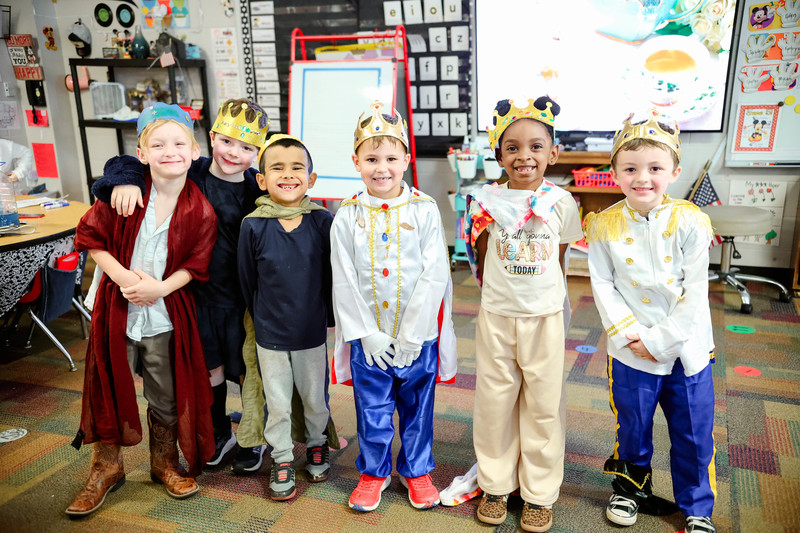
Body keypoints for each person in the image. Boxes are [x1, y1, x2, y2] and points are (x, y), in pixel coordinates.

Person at [91, 99, 269, 474]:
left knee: (250, 369)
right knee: (208, 370)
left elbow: (290, 191)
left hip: (243, 298)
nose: (234, 153)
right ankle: (220, 433)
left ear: (257, 152)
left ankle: (256, 435)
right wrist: (121, 178)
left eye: (247, 147)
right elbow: (130, 162)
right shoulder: (194, 169)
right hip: (194, 297)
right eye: (227, 142)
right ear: (210, 141)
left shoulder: (258, 186)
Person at [67, 103, 218, 516]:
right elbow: (91, 237)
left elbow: (196, 263)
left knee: (166, 392)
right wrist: (125, 280)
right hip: (117, 308)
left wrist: (160, 287)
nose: (170, 151)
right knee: (107, 385)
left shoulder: (200, 208)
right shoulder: (124, 194)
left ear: (194, 150)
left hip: (166, 314)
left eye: (179, 143)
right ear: (142, 153)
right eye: (159, 144)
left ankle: (163, 462)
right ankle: (106, 467)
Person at [583, 110, 717, 533]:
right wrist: (630, 335)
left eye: (655, 168)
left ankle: (696, 506)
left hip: (686, 348)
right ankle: (630, 490)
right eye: (631, 168)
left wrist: (662, 340)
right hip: (630, 349)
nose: (643, 178)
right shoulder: (603, 225)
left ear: (674, 171)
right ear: (615, 173)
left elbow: (696, 292)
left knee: (694, 431)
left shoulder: (691, 222)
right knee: (633, 427)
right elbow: (603, 285)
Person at [331, 101, 457, 513]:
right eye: (371, 159)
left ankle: (416, 469)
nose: (381, 167)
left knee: (418, 408)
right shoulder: (346, 216)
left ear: (406, 158)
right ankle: (374, 472)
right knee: (373, 409)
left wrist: (413, 334)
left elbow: (435, 273)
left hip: (417, 337)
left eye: (390, 157)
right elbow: (343, 278)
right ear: (356, 161)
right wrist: (366, 333)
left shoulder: (423, 209)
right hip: (370, 338)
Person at [464, 97, 583, 532]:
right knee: (494, 402)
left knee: (544, 405)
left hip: (545, 318)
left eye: (535, 146)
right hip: (496, 315)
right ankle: (495, 483)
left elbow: (563, 256)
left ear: (553, 153)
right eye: (511, 147)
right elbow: (480, 258)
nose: (524, 156)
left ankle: (538, 493)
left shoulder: (562, 202)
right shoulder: (483, 203)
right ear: (498, 155)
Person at [237, 134, 335, 501]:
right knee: (276, 402)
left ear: (311, 178)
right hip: (270, 333)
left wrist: (325, 319)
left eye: (297, 168)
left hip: (311, 330)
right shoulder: (254, 225)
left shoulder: (322, 221)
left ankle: (315, 443)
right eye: (277, 167)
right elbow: (248, 281)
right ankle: (280, 457)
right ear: (261, 180)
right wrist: (264, 317)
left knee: (315, 398)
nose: (288, 174)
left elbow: (331, 276)